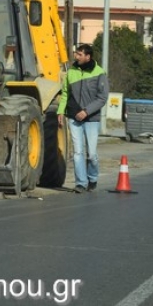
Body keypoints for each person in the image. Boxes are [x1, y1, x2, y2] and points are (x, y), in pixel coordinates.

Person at [57, 43, 109, 194]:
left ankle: (92, 178)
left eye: (80, 54)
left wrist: (86, 111)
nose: (76, 56)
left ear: (88, 57)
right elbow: (65, 93)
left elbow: (102, 98)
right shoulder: (71, 72)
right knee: (78, 152)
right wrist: (61, 111)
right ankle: (81, 183)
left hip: (91, 119)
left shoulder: (99, 73)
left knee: (91, 154)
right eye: (76, 53)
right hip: (74, 117)